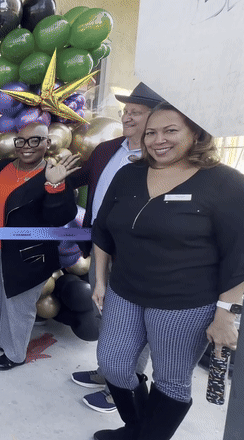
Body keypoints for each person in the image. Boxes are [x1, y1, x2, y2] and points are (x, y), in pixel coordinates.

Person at [90, 103, 244, 440]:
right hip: (125, 292)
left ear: (196, 134)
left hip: (185, 303)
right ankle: (137, 429)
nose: (158, 140)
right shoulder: (128, 175)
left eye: (171, 131)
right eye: (151, 132)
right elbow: (103, 231)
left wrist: (226, 312)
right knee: (113, 364)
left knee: (171, 381)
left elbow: (239, 255)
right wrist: (100, 281)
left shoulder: (227, 184)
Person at [68, 83, 164, 413]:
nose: (127, 117)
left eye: (135, 112)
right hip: (100, 243)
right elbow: (79, 178)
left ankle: (124, 384)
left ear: (155, 117)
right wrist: (51, 178)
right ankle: (106, 371)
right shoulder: (107, 149)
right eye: (126, 111)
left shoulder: (160, 159)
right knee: (105, 309)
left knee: (135, 319)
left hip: (136, 251)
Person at [0, 122, 79, 371]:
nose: (27, 147)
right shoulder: (2, 167)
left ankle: (15, 354)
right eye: (21, 141)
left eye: (35, 140)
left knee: (18, 306)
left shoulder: (53, 173)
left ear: (46, 143)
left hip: (27, 256)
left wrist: (54, 186)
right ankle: (6, 342)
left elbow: (58, 218)